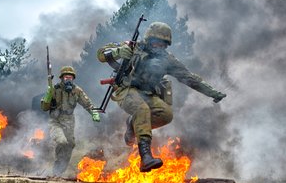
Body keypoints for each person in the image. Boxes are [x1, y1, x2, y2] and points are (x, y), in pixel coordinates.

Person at [97, 21, 226, 173]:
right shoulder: (133, 47)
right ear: (148, 40)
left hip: (147, 94)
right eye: (155, 42)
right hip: (126, 89)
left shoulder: (168, 60)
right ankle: (145, 158)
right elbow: (101, 54)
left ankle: (132, 124)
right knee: (141, 109)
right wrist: (118, 52)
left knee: (165, 115)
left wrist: (212, 93)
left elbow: (190, 78)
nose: (158, 46)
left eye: (163, 44)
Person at [41, 66, 101, 176]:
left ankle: (59, 170)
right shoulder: (54, 89)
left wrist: (94, 112)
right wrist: (48, 95)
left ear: (73, 79)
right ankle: (57, 167)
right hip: (55, 120)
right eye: (66, 78)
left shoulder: (77, 91)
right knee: (62, 141)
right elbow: (44, 108)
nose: (68, 80)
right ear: (61, 78)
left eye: (70, 78)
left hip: (69, 121)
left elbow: (87, 103)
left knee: (70, 144)